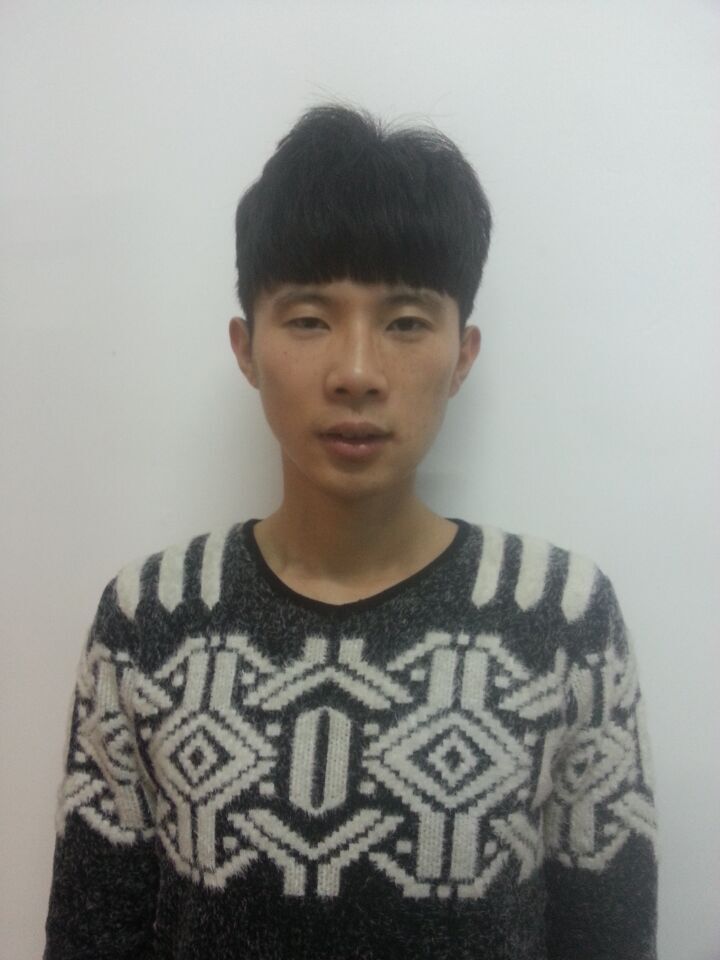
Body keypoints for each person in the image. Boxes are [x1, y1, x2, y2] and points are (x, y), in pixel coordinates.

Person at [43, 103, 658, 959]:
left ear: (463, 354)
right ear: (246, 348)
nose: (357, 372)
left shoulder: (560, 618)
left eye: (405, 322)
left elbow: (608, 940)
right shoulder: (151, 618)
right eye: (308, 319)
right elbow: (91, 936)